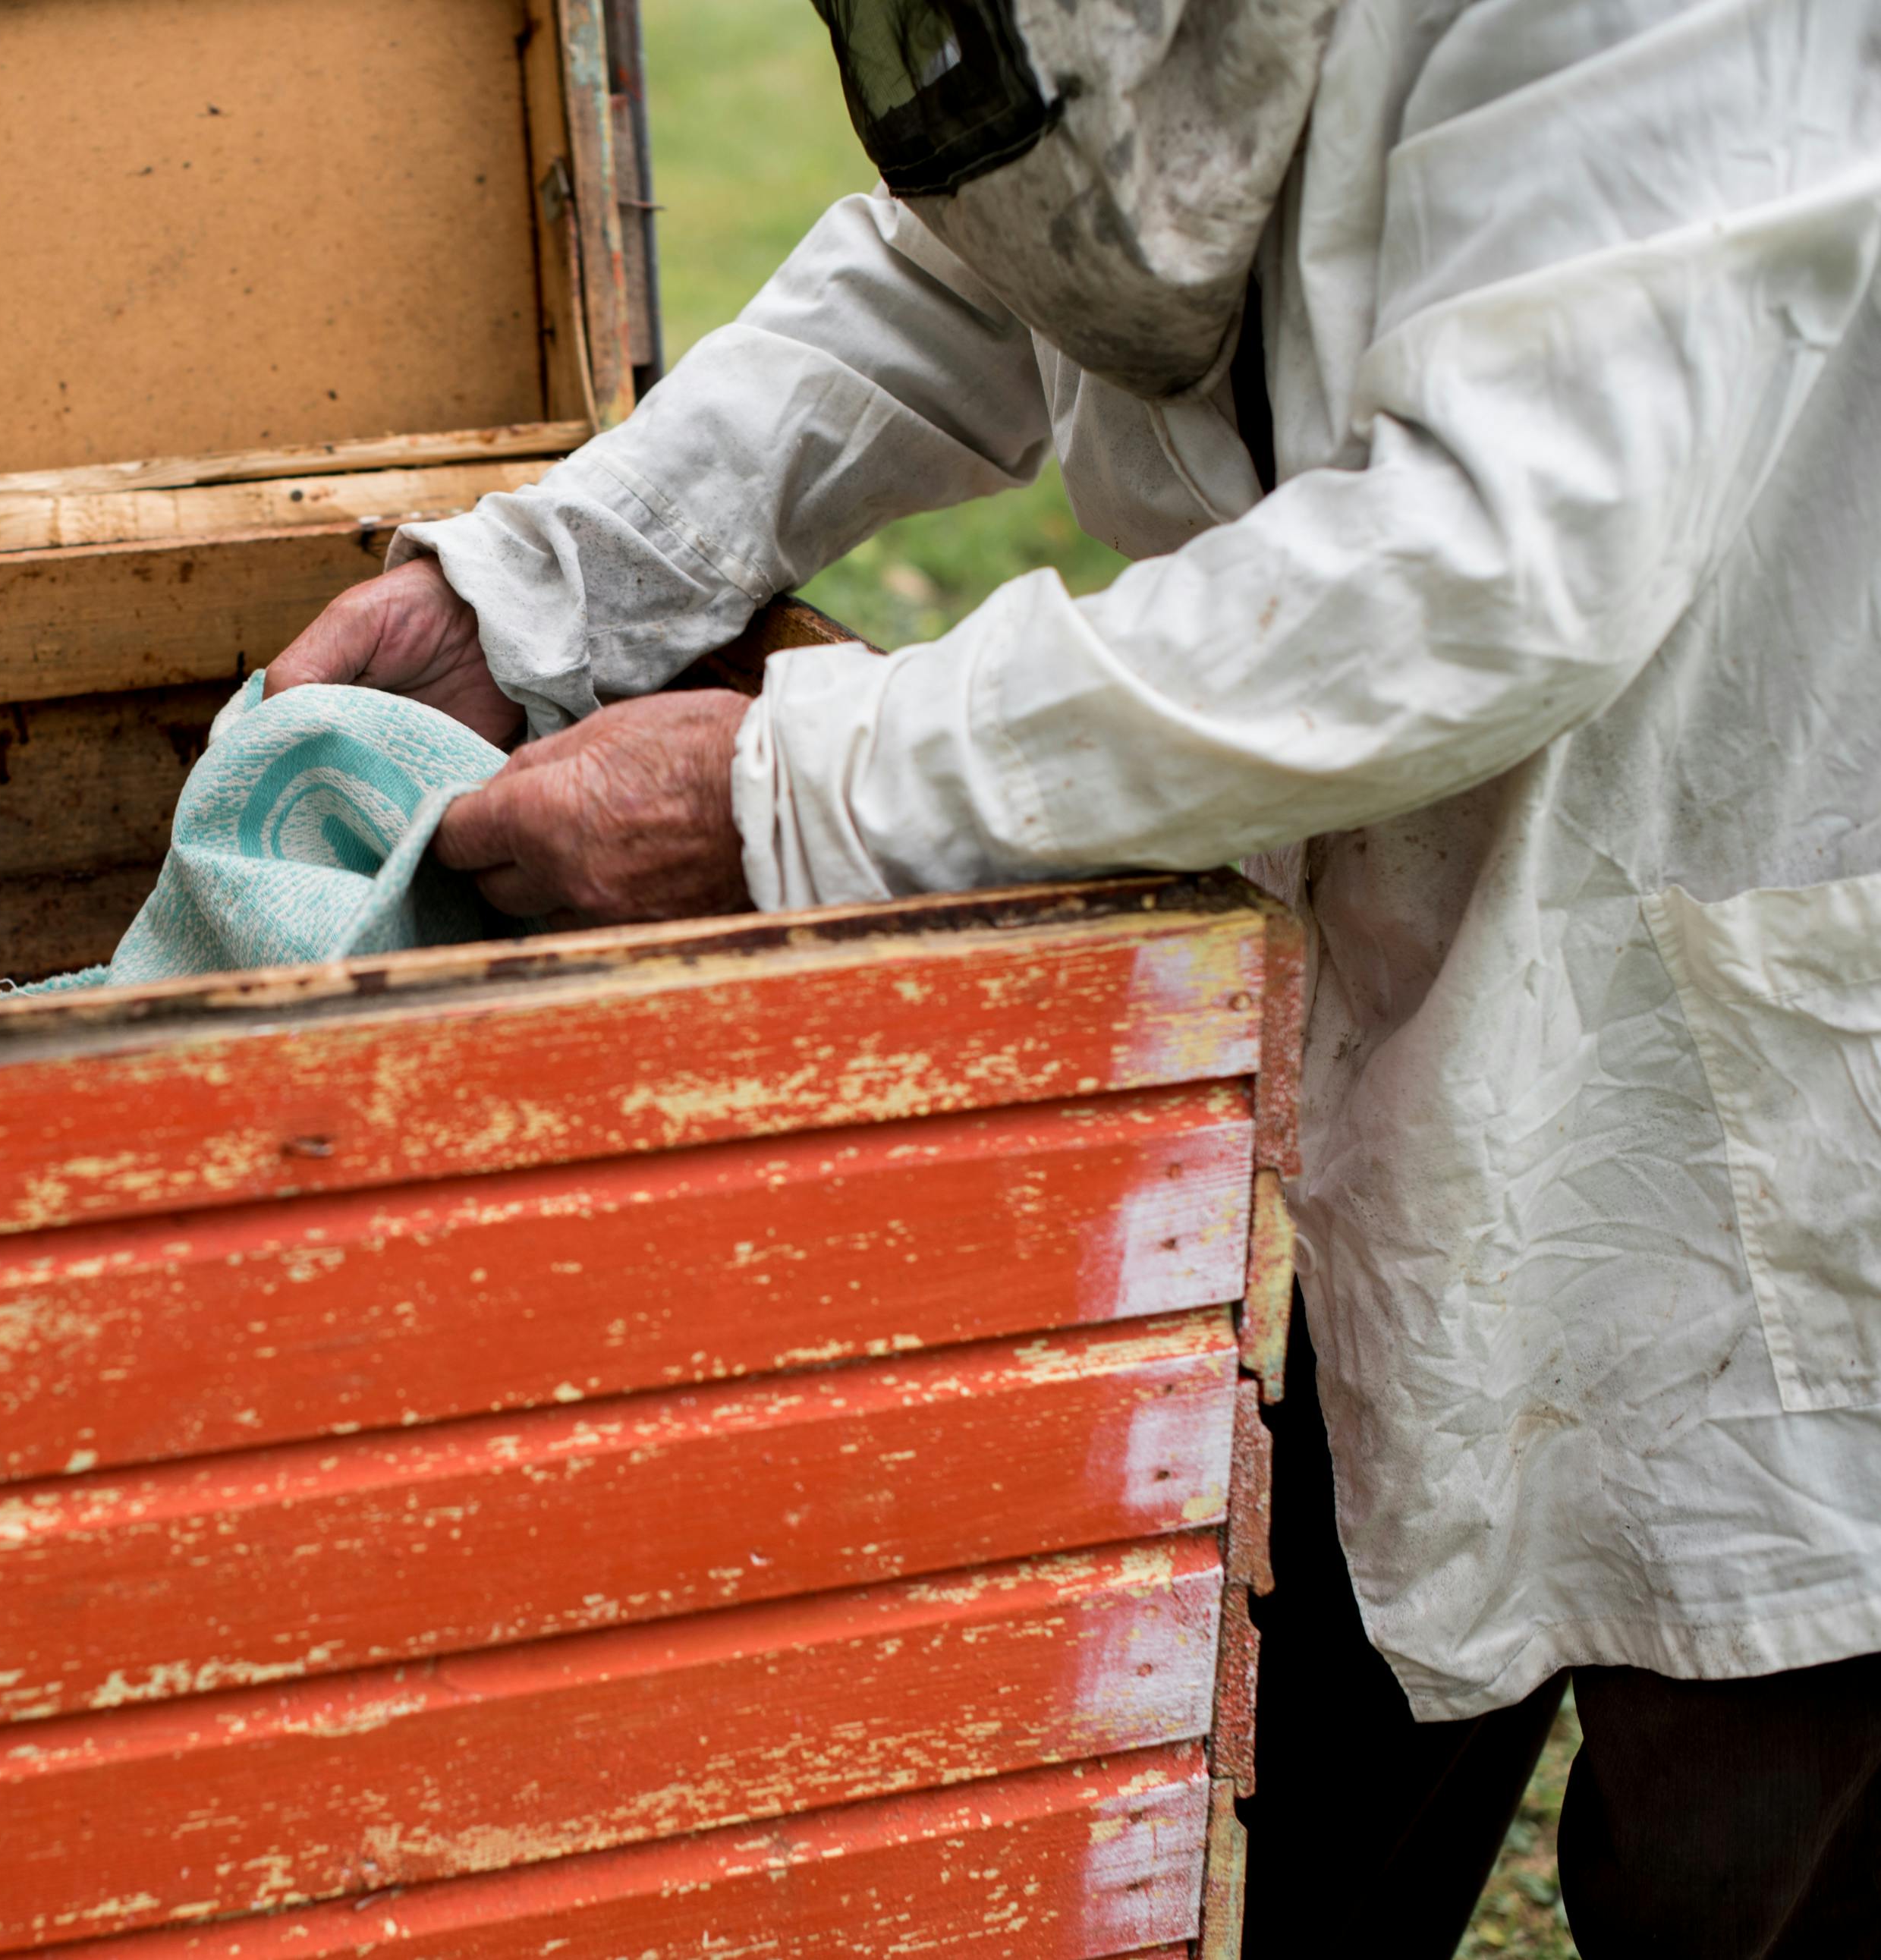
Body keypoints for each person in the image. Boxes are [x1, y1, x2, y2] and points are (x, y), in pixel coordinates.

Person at [266, 0, 1881, 1950]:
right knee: (1261, 1789)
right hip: (1374, 1030)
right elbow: (998, 250)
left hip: (1750, 1018)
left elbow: (1483, 572)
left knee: (1743, 1804)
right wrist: (532, 582)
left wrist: (794, 783)